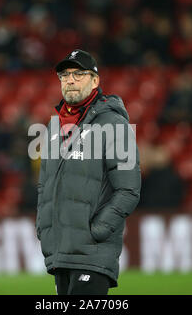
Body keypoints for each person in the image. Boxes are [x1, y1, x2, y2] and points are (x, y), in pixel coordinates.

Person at [35, 49, 141, 295]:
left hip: (92, 255)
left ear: (95, 81)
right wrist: (44, 227)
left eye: (79, 74)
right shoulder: (54, 127)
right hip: (60, 253)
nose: (70, 80)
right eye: (64, 75)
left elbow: (129, 189)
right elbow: (44, 186)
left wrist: (96, 231)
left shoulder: (114, 124)